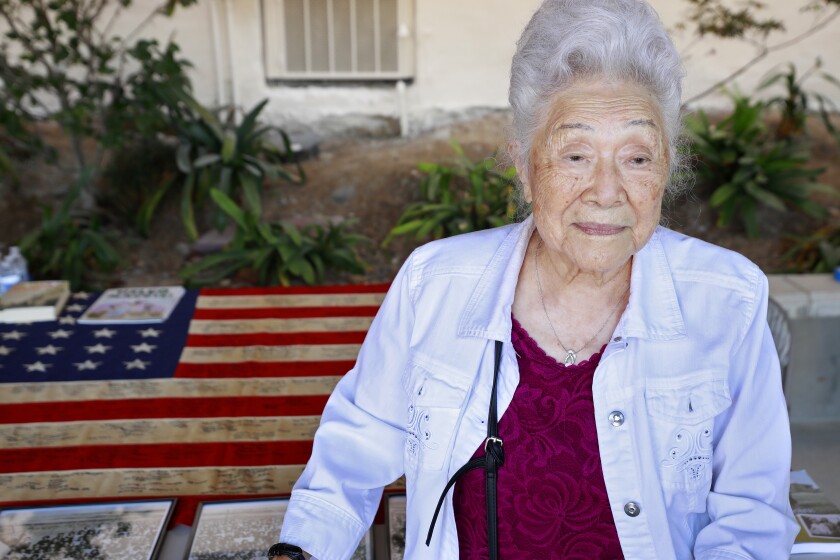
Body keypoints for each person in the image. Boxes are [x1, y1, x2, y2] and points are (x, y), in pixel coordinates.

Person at [271, 0, 799, 558]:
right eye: (575, 155)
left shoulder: (727, 301)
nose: (606, 190)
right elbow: (349, 457)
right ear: (524, 168)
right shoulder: (435, 285)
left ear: (667, 168)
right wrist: (301, 550)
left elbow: (750, 518)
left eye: (637, 159)